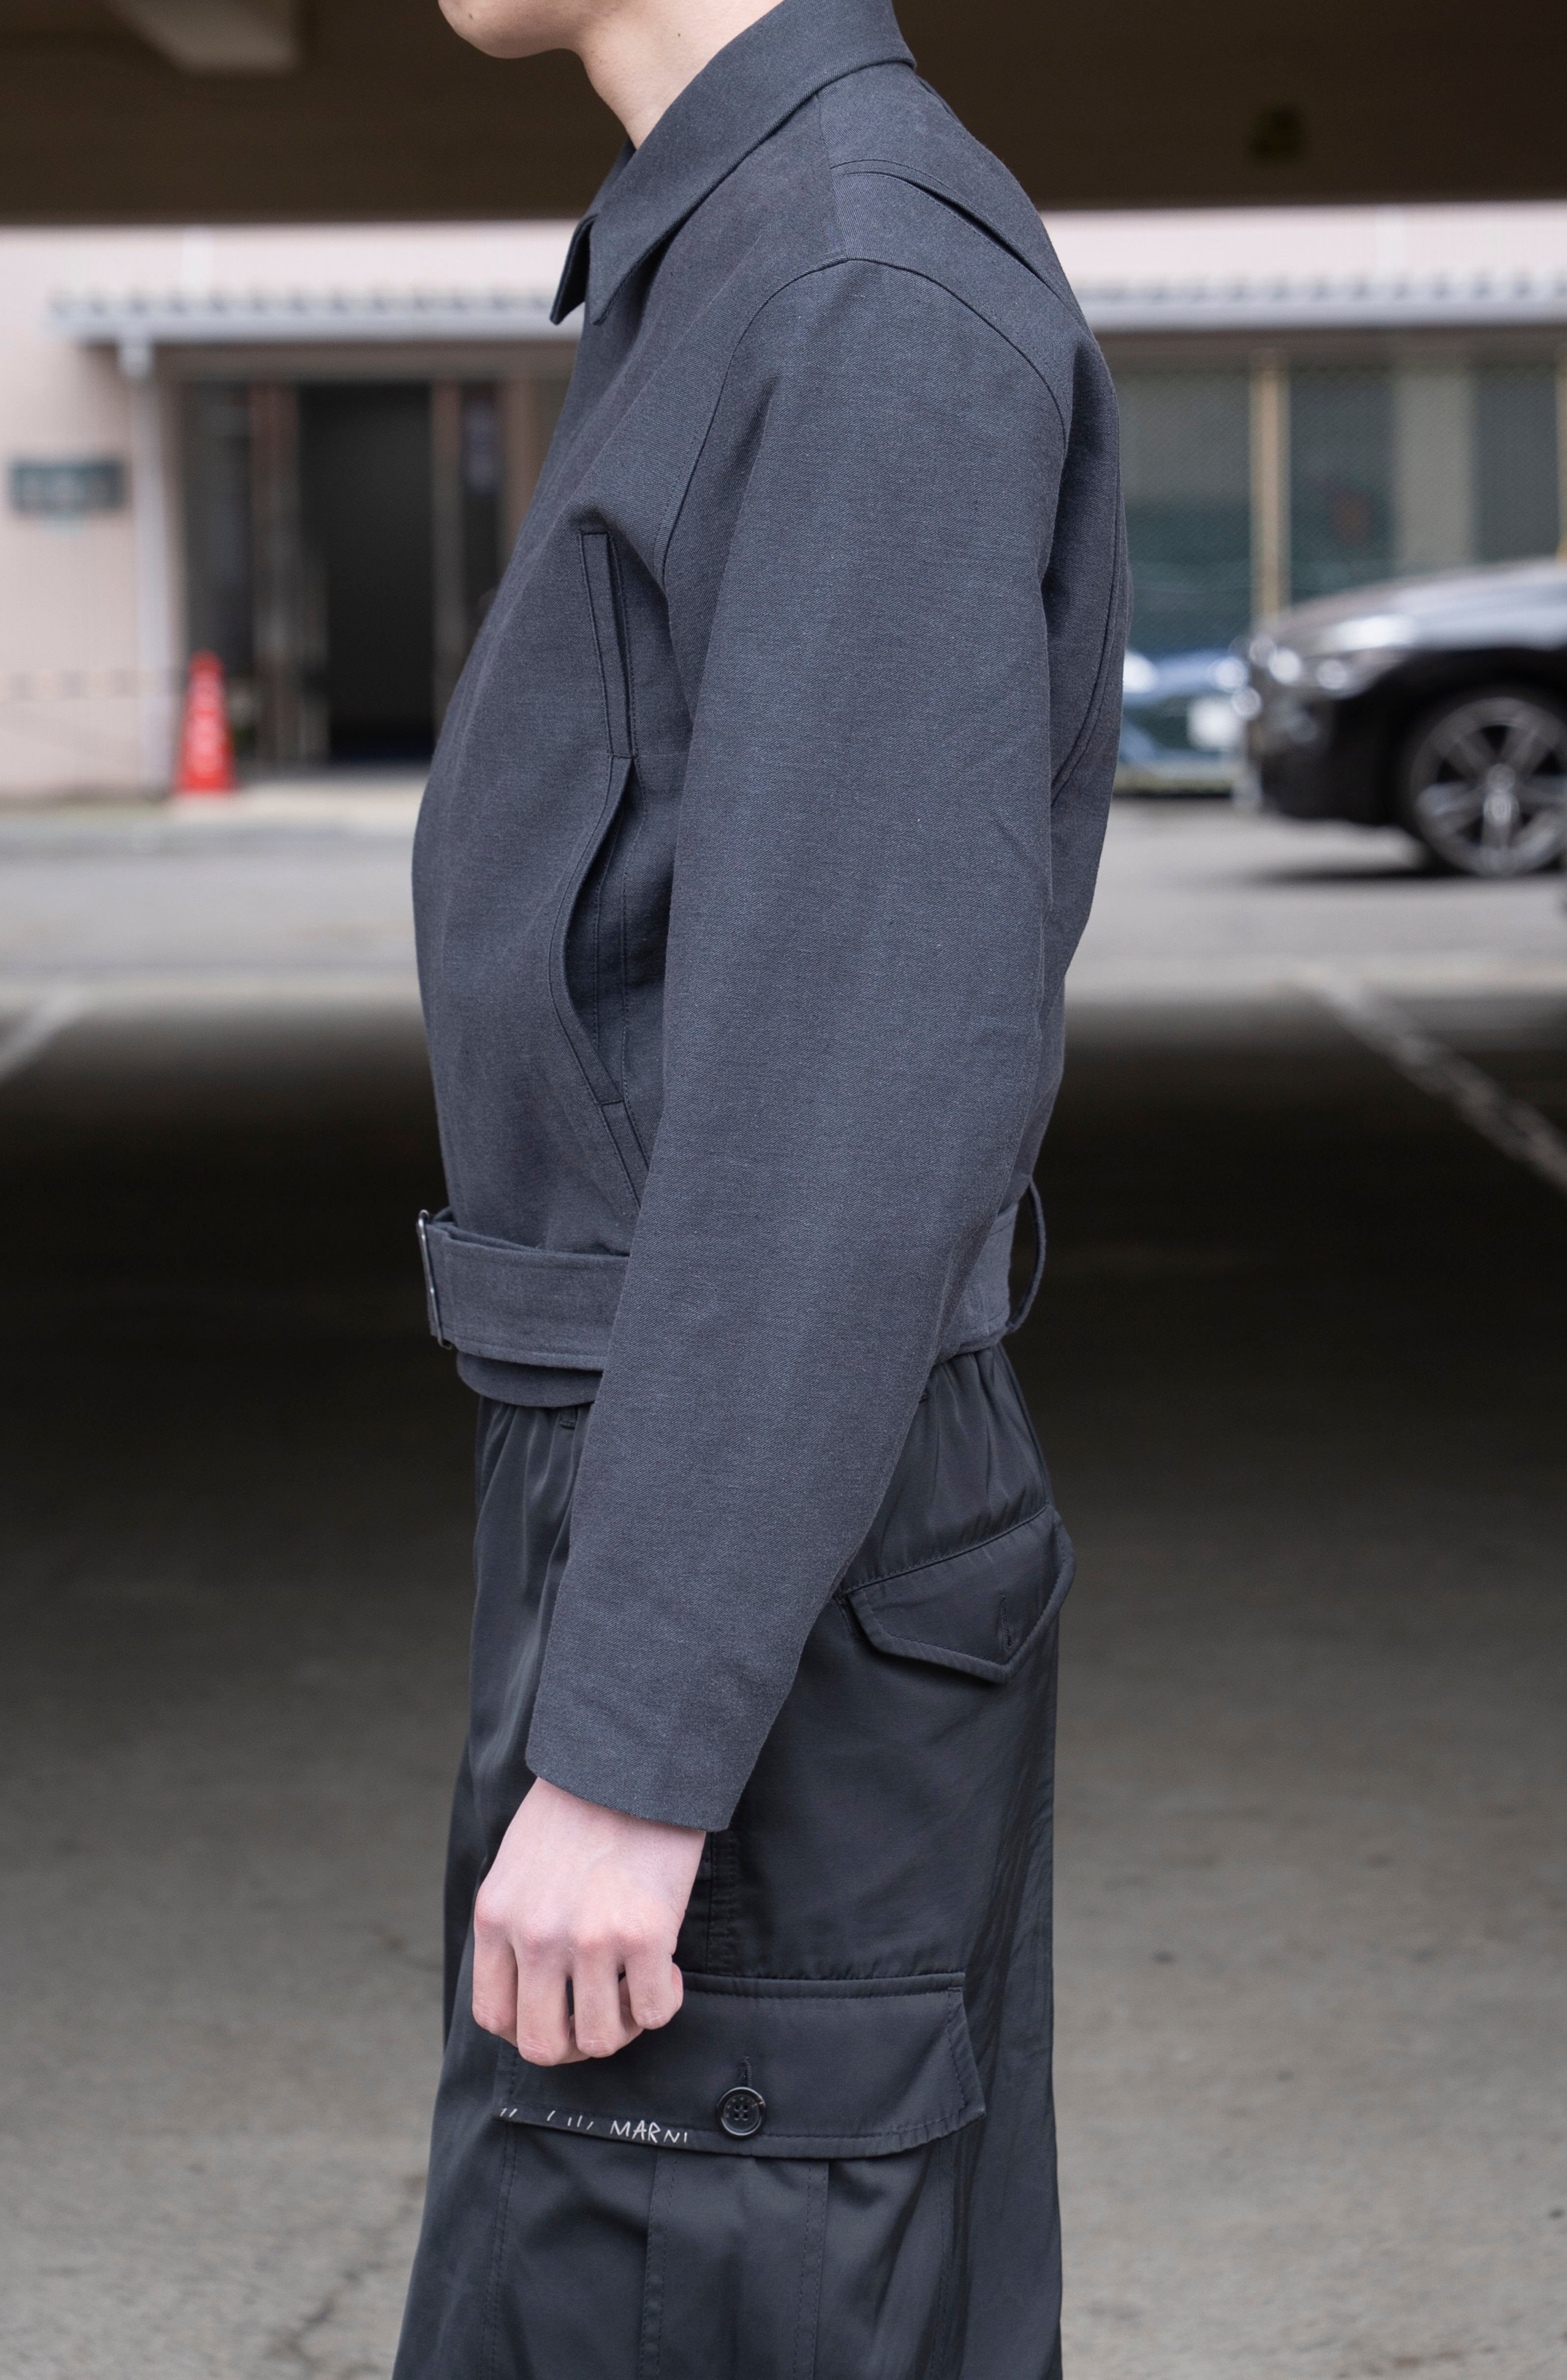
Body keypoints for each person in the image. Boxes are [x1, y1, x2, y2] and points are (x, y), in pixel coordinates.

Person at [395, 0, 1126, 2368]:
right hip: (707, 1462)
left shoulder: (851, 285)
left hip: (755, 1484)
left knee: (685, 2289)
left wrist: (640, 1737)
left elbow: (850, 1080)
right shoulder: (747, 256)